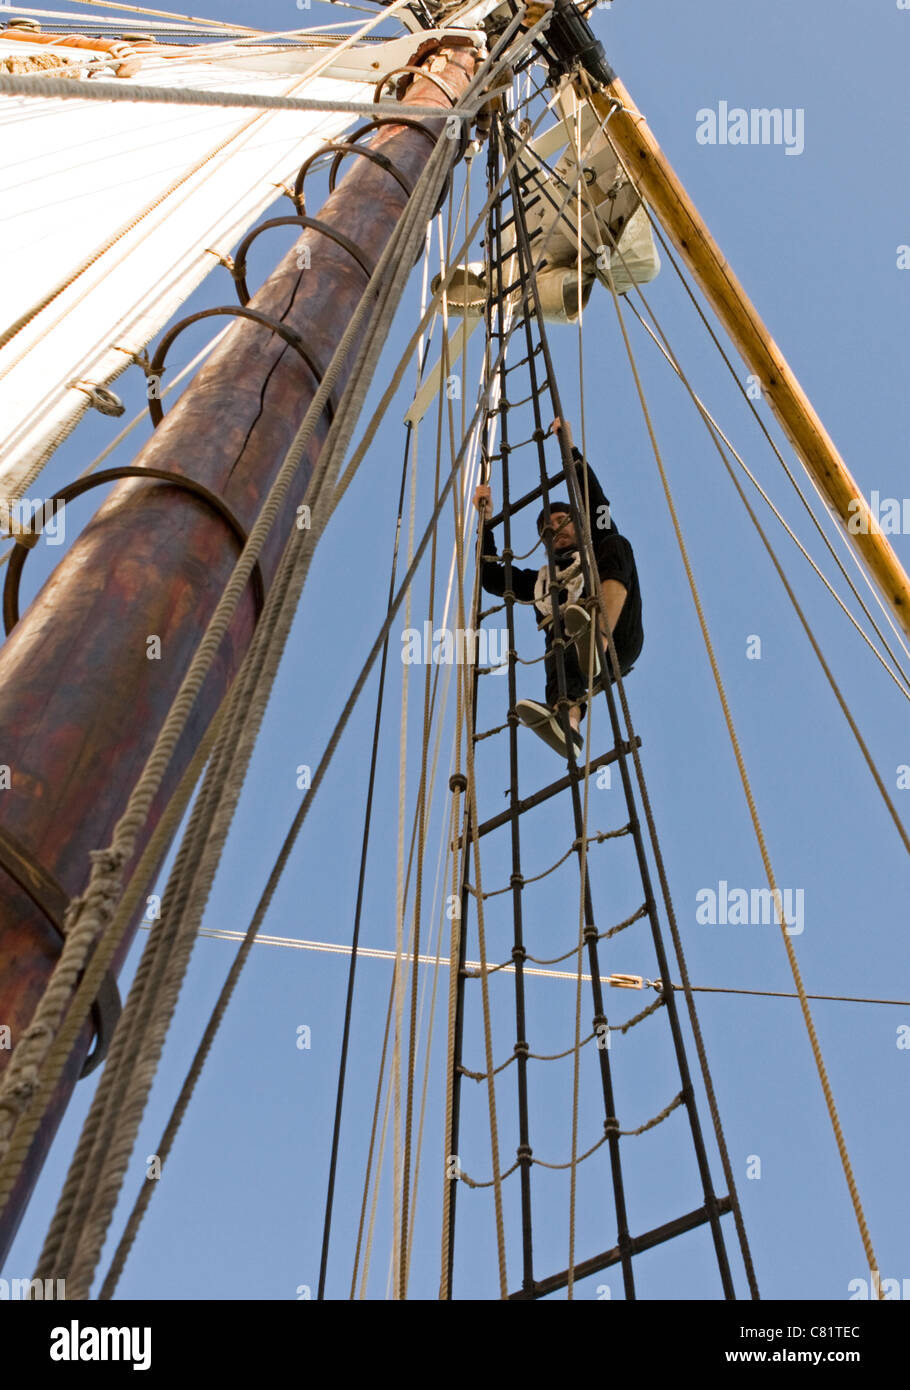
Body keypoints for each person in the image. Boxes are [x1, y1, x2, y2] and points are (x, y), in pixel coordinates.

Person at [472, 418, 642, 756]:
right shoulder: (541, 581)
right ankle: (569, 728)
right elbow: (492, 579)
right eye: (547, 527)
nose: (555, 528)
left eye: (563, 521)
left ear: (578, 525)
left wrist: (571, 452)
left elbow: (599, 505)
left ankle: (598, 638)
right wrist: (485, 523)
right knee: (558, 629)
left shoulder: (598, 545)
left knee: (617, 543)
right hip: (576, 668)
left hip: (618, 641)